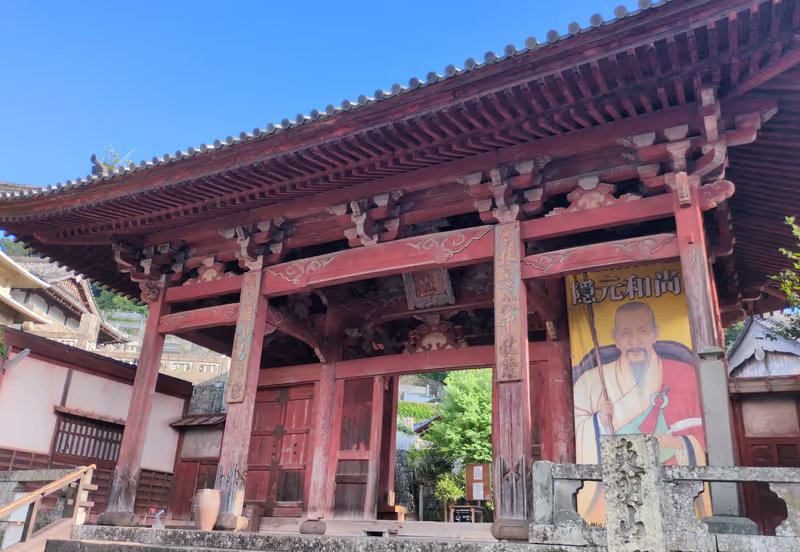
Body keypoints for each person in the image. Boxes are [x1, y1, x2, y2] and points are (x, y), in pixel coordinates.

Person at [573, 301, 706, 522]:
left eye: (643, 331)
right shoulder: (592, 380)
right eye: (626, 332)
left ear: (655, 333)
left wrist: (679, 443)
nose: (635, 340)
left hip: (669, 480)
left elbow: (703, 432)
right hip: (618, 483)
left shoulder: (686, 375)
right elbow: (578, 426)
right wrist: (599, 422)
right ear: (615, 338)